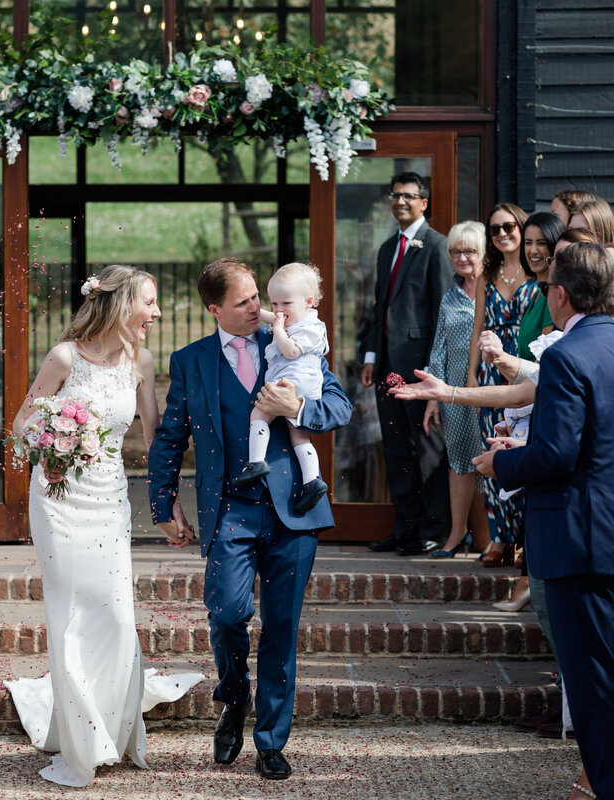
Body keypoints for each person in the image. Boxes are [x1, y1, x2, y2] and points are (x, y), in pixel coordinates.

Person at [149, 257, 352, 779]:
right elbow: (171, 438)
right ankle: (233, 698)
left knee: (282, 627)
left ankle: (271, 740)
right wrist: (162, 503)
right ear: (215, 309)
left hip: (294, 511)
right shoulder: (190, 361)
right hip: (230, 511)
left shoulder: (294, 341)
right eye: (244, 303)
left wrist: (298, 409)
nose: (260, 309)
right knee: (228, 614)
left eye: (259, 298)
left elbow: (339, 407)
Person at [5, 265, 198, 787]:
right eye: (150, 303)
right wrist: (57, 437)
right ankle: (81, 745)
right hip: (61, 499)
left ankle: (114, 728)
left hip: (109, 500)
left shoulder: (142, 361)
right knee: (70, 616)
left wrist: (170, 504)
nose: (157, 314)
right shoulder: (65, 357)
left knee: (114, 618)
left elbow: (158, 440)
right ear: (119, 305)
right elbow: (23, 423)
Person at [476, 242, 614, 800]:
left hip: (579, 540)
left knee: (595, 685)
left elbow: (556, 455)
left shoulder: (567, 357)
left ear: (559, 294)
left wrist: (500, 460)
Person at [359, 172, 451, 555]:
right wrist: (370, 355)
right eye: (395, 195)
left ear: (423, 203)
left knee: (426, 447)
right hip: (387, 367)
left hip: (419, 369)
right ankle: (405, 527)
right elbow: (380, 308)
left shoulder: (437, 246)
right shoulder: (386, 249)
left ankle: (433, 528)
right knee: (395, 447)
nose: (400, 202)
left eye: (408, 196)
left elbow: (443, 315)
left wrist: (435, 373)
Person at [466, 202, 532, 568]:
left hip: (522, 370)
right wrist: (472, 375)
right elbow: (478, 327)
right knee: (492, 451)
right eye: (495, 229)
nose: (503, 234)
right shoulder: (486, 275)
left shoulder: (537, 274)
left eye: (509, 227)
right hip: (490, 373)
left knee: (521, 448)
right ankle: (499, 538)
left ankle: (524, 538)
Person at [235, 262, 330, 513]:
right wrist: (259, 311)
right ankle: (312, 481)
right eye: (274, 303)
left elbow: (290, 351)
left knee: (260, 413)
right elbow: (271, 318)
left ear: (309, 302)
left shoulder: (312, 327)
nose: (279, 310)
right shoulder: (296, 318)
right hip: (301, 384)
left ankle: (256, 461)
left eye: (285, 304)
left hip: (293, 382)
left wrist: (277, 329)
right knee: (298, 434)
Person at [422, 221, 490, 559]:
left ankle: (491, 539)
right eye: (456, 251)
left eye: (470, 251)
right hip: (451, 392)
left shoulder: (493, 293)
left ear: (483, 254)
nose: (462, 257)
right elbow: (438, 349)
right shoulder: (449, 298)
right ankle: (457, 533)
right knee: (459, 461)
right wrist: (433, 399)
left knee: (491, 458)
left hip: (491, 390)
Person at [515, 212, 565, 361]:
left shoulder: (553, 292)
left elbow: (544, 358)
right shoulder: (538, 291)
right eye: (528, 242)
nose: (533, 250)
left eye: (541, 243)